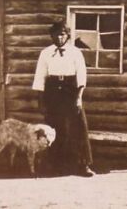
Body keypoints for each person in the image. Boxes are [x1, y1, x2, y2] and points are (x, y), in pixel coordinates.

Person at [32, 21, 95, 177]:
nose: (59, 38)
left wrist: (78, 98)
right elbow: (40, 77)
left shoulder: (75, 52)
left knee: (77, 127)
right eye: (56, 34)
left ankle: (83, 165)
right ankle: (53, 165)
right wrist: (41, 101)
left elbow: (81, 77)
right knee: (53, 128)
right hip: (52, 91)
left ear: (67, 35)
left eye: (62, 34)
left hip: (70, 90)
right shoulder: (45, 53)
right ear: (51, 36)